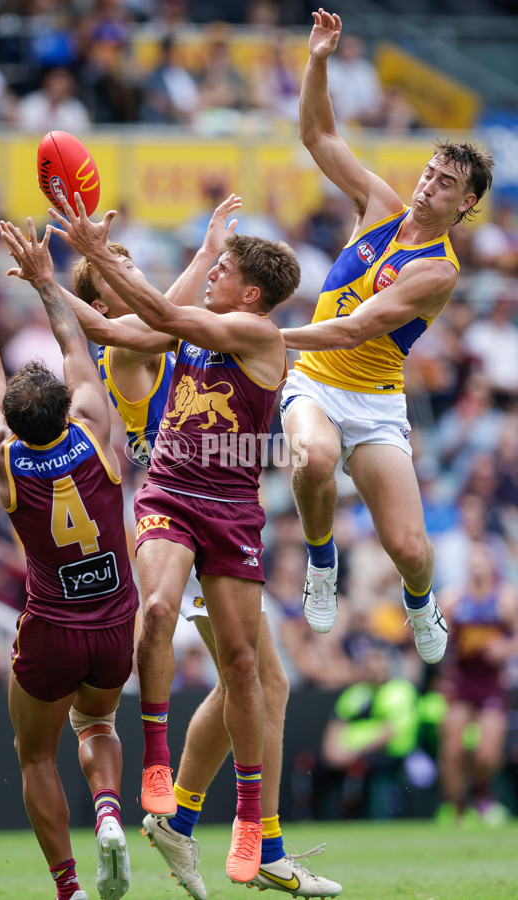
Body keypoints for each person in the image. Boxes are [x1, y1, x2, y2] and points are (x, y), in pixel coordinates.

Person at [7, 196, 341, 897]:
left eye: (222, 267)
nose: (206, 270)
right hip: (168, 490)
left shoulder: (219, 327)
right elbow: (131, 317)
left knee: (249, 673)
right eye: (125, 265)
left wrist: (79, 266)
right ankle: (198, 806)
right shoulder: (158, 334)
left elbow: (155, 310)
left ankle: (227, 824)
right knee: (188, 635)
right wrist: (56, 272)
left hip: (227, 502)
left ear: (245, 292)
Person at [279, 10, 494, 665]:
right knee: (312, 459)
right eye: (429, 172)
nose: (428, 185)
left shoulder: (437, 271)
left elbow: (358, 328)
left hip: (375, 404)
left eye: (445, 184)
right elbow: (318, 134)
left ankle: (422, 604)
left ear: (464, 205)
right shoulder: (379, 205)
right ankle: (323, 566)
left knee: (410, 549)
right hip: (314, 384)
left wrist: (262, 337)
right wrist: (317, 59)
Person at [0, 225, 140, 900]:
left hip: (51, 629)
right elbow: (74, 343)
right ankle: (111, 814)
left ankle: (69, 889)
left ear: (13, 417)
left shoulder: (5, 455)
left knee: (33, 754)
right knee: (99, 724)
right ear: (65, 406)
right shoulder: (94, 430)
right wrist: (43, 277)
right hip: (117, 623)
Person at [437, 541, 518, 823]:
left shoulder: (505, 598)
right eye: (471, 559)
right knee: (453, 749)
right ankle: (457, 807)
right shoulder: (453, 598)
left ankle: (482, 793)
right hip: (461, 680)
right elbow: (436, 636)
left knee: (487, 755)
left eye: (481, 558)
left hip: (491, 682)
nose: (476, 564)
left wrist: (505, 649)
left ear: (491, 563)